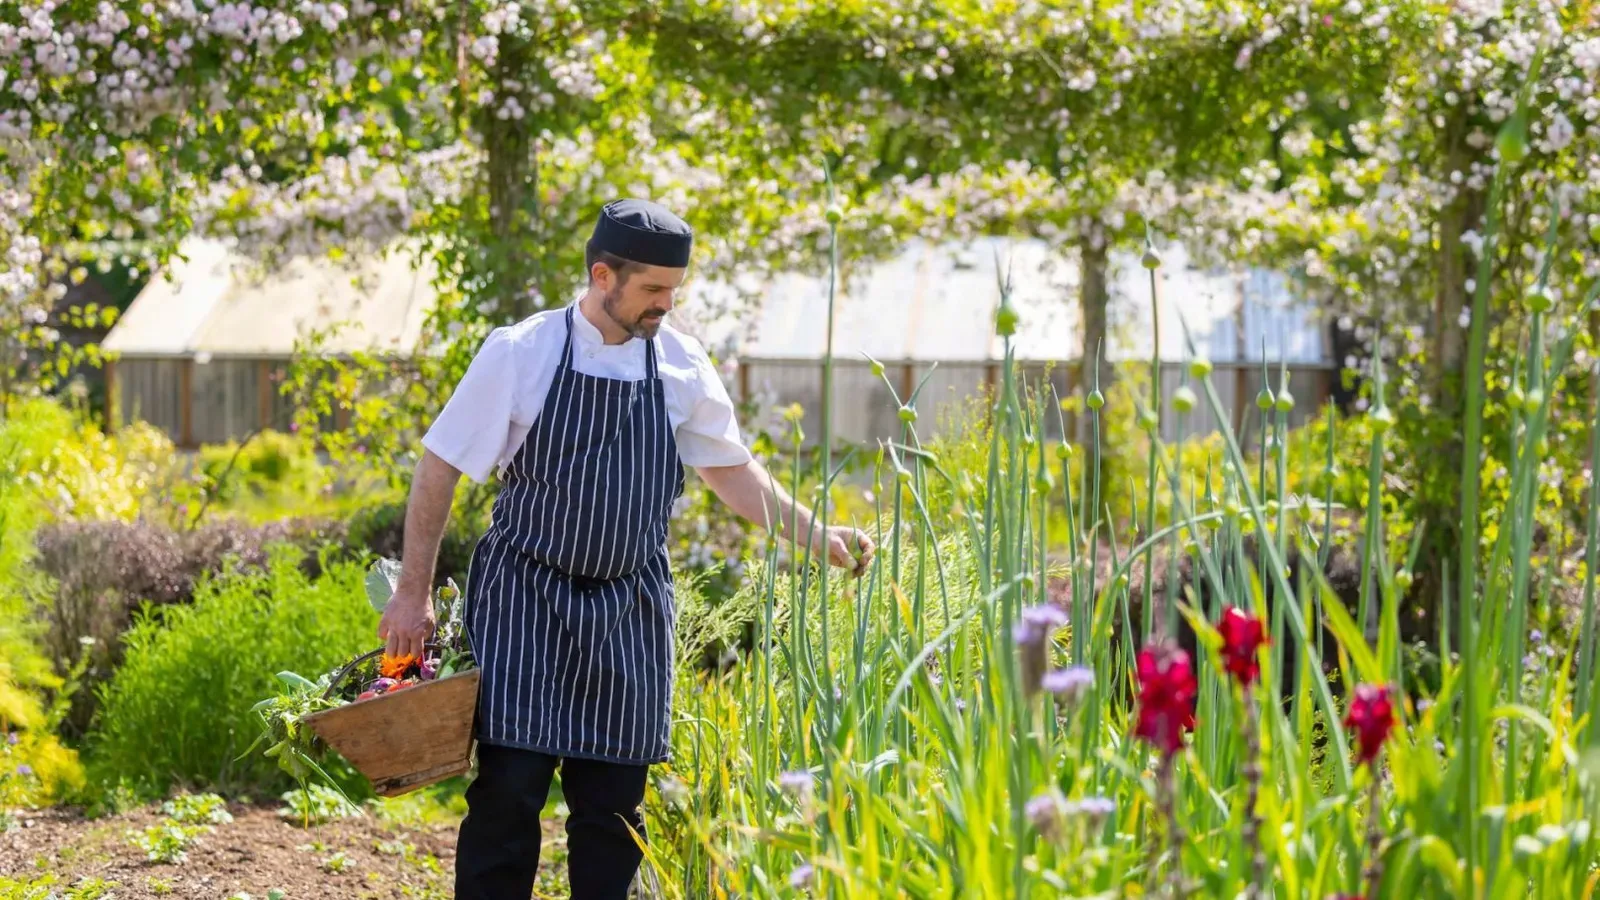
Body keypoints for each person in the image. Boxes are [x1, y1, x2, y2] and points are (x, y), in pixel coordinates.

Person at [377, 198, 875, 899]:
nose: (665, 306)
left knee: (614, 809)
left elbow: (729, 469)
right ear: (602, 275)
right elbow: (441, 466)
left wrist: (820, 537)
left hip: (629, 604)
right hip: (526, 593)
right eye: (652, 291)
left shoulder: (679, 363)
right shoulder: (522, 353)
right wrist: (413, 591)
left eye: (673, 292)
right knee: (509, 795)